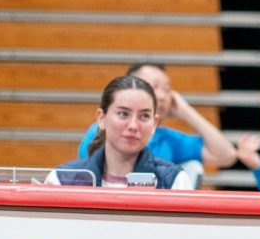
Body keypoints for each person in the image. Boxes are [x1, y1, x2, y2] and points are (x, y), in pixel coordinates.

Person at [77, 63, 238, 185]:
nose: (162, 95)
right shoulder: (103, 132)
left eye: (167, 90)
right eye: (154, 86)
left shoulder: (170, 140)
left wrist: (185, 111)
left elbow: (226, 155)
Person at [51, 75, 194, 189]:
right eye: (123, 114)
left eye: (144, 116)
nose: (133, 125)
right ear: (101, 118)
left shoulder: (174, 182)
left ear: (154, 124)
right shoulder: (61, 180)